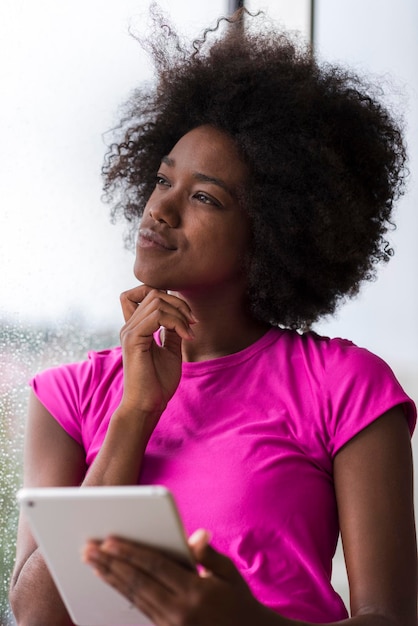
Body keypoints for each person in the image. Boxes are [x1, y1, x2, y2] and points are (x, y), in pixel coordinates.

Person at [9, 7, 417, 626]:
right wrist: (136, 411)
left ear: (273, 233)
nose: (160, 210)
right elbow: (37, 612)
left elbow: (390, 618)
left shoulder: (346, 386)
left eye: (204, 197)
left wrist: (242, 621)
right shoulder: (69, 396)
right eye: (161, 180)